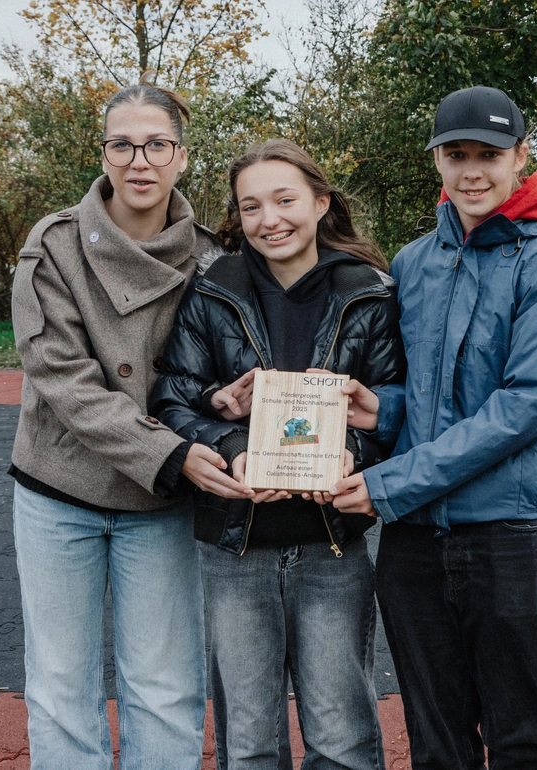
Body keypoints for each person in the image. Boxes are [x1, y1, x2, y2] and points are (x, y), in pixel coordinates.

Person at [326, 86, 537, 769]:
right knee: (436, 738)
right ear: (438, 162)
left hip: (510, 533)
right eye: (456, 155)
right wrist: (380, 410)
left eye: (489, 154)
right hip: (416, 541)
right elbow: (429, 396)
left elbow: (523, 408)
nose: (472, 171)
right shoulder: (414, 263)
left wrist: (390, 484)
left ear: (521, 158)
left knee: (523, 738)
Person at [149, 138, 403, 768]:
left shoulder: (370, 294)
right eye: (252, 206)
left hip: (333, 541)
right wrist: (231, 443)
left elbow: (396, 406)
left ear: (320, 202)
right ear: (239, 219)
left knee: (341, 732)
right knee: (251, 740)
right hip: (235, 544)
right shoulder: (212, 292)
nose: (271, 219)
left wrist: (352, 451)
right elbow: (173, 399)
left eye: (286, 200)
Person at [8, 81, 225, 769]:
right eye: (123, 144)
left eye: (156, 144)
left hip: (159, 500)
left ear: (182, 157)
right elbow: (64, 380)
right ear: (102, 153)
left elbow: (212, 371)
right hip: (59, 488)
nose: (140, 160)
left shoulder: (214, 259)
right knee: (62, 681)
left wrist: (231, 399)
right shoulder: (54, 248)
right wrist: (172, 452)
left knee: (164, 683)